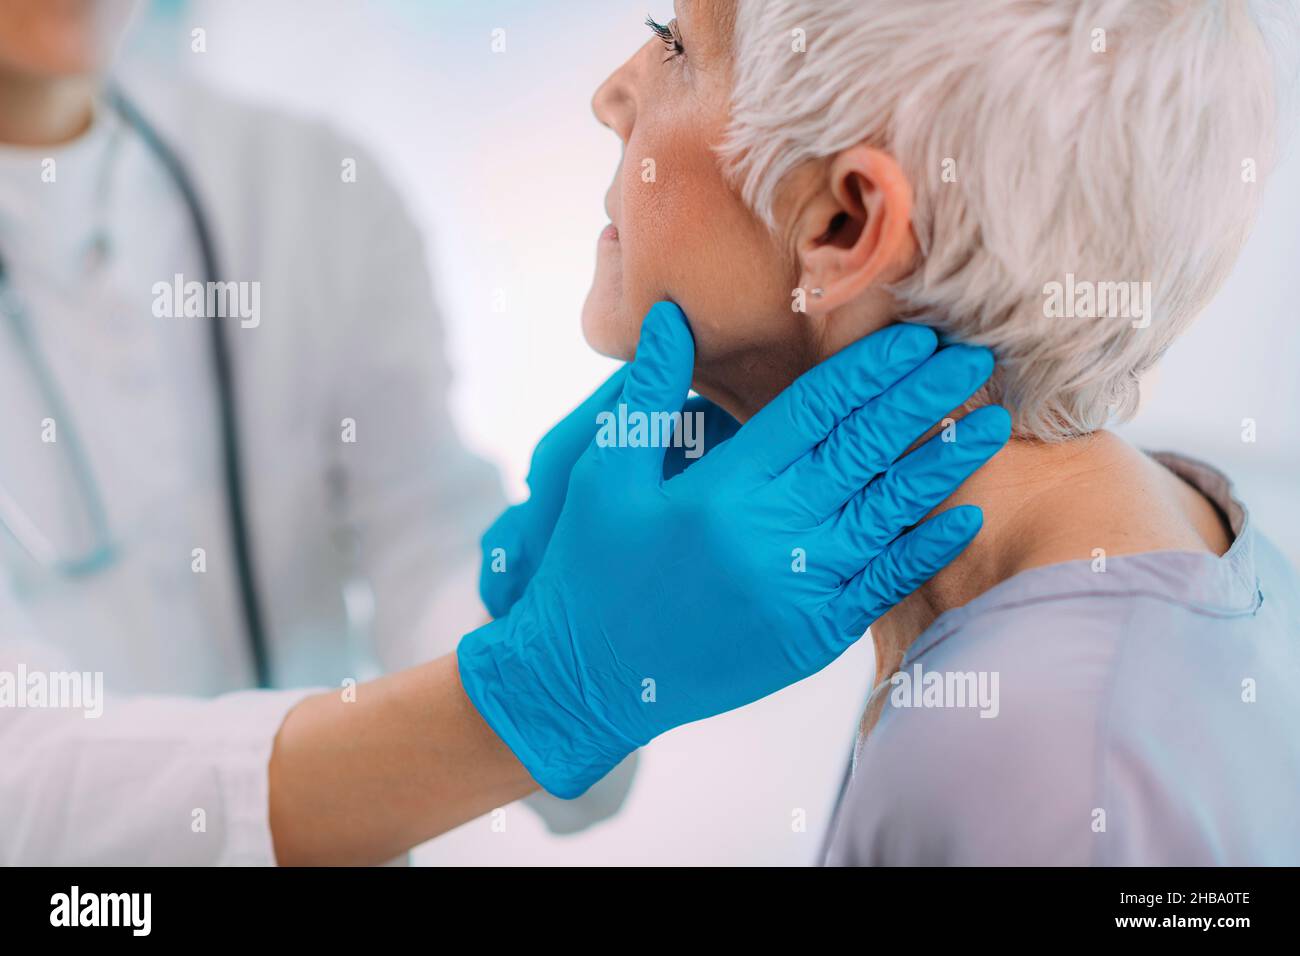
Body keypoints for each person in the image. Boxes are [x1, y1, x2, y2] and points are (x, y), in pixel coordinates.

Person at [0, 0, 1008, 865]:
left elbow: (421, 530)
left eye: (673, 45)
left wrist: (525, 603)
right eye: (668, 35)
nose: (611, 94)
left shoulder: (304, 187)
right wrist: (532, 695)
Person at [487, 0, 1298, 865]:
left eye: (675, 46)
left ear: (844, 224)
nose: (612, 95)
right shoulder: (1190, 539)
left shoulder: (1019, 761)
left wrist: (560, 685)